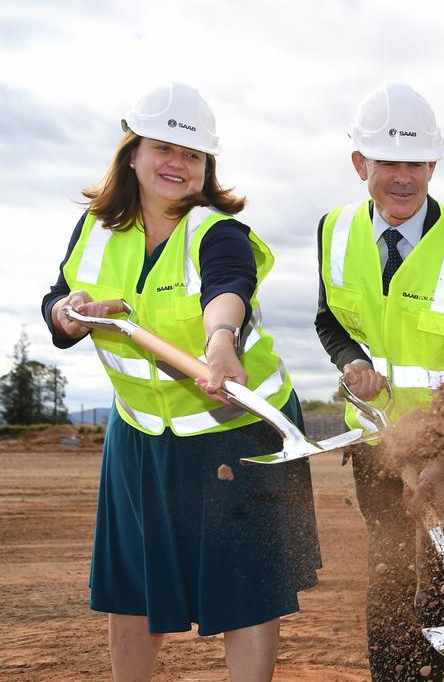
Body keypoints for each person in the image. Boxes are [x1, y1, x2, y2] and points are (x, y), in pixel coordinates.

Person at [41, 82, 321, 681]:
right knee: (133, 586)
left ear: (206, 167)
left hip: (240, 427)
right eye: (163, 148)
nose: (177, 163)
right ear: (132, 154)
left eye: (191, 155)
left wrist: (222, 342)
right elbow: (60, 297)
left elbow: (228, 287)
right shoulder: (93, 230)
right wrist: (66, 313)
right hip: (139, 431)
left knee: (245, 590)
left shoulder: (214, 231)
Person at [313, 82, 444, 682]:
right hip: (376, 444)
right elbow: (328, 320)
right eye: (387, 162)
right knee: (391, 576)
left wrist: (440, 456)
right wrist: (351, 364)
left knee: (442, 584)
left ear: (434, 164)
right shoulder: (333, 231)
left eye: (415, 163)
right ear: (358, 164)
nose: (402, 177)